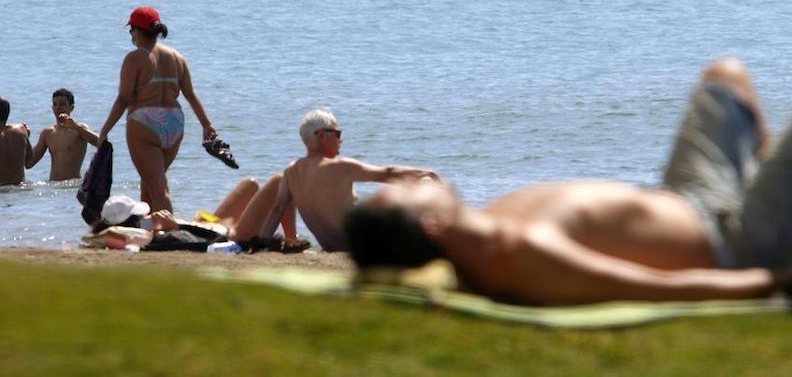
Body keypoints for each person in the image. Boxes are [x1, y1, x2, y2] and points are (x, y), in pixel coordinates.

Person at [345, 58, 792, 305]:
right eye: (405, 192)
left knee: (725, 76)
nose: (409, 178)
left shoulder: (494, 223)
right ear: (433, 226)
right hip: (736, 242)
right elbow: (656, 289)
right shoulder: (520, 254)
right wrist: (771, 280)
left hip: (690, 198)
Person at [241, 108, 440, 251]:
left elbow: (277, 210)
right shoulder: (339, 166)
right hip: (364, 247)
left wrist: (263, 242)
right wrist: (426, 174)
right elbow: (387, 173)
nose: (341, 139)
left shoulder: (291, 172)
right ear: (321, 135)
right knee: (423, 186)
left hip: (330, 247)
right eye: (337, 134)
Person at [97, 7, 220, 213]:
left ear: (136, 31)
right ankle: (150, 229)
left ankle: (170, 233)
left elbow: (124, 98)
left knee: (158, 189)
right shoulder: (177, 57)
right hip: (175, 123)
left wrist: (105, 130)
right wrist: (207, 124)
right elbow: (190, 94)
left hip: (145, 122)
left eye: (131, 31)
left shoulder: (135, 58)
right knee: (151, 181)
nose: (131, 35)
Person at [27, 88, 99, 180]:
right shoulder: (47, 133)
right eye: (55, 104)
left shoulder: (79, 129)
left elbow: (100, 142)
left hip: (71, 187)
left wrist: (76, 127)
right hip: (53, 186)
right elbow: (29, 163)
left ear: (72, 107)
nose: (58, 107)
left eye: (62, 104)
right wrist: (25, 140)